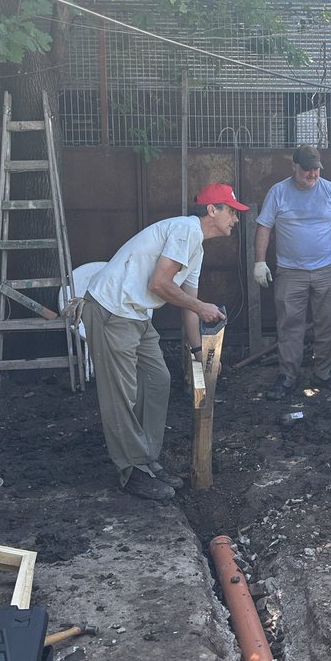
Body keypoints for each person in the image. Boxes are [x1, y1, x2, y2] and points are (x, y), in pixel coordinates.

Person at [82, 184, 248, 500]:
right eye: (231, 211)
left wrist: (198, 351)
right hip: (111, 309)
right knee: (121, 393)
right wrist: (201, 308)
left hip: (137, 313)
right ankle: (132, 471)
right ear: (212, 210)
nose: (236, 220)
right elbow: (159, 283)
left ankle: (146, 458)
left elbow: (189, 303)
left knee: (158, 380)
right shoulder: (186, 230)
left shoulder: (196, 247)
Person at [254, 145, 331, 401]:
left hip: (326, 269)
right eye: (307, 169)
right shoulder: (279, 192)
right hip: (290, 272)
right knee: (290, 326)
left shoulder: (330, 190)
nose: (313, 174)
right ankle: (288, 377)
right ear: (294, 166)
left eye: (316, 169)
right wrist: (260, 262)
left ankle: (323, 372)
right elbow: (263, 228)